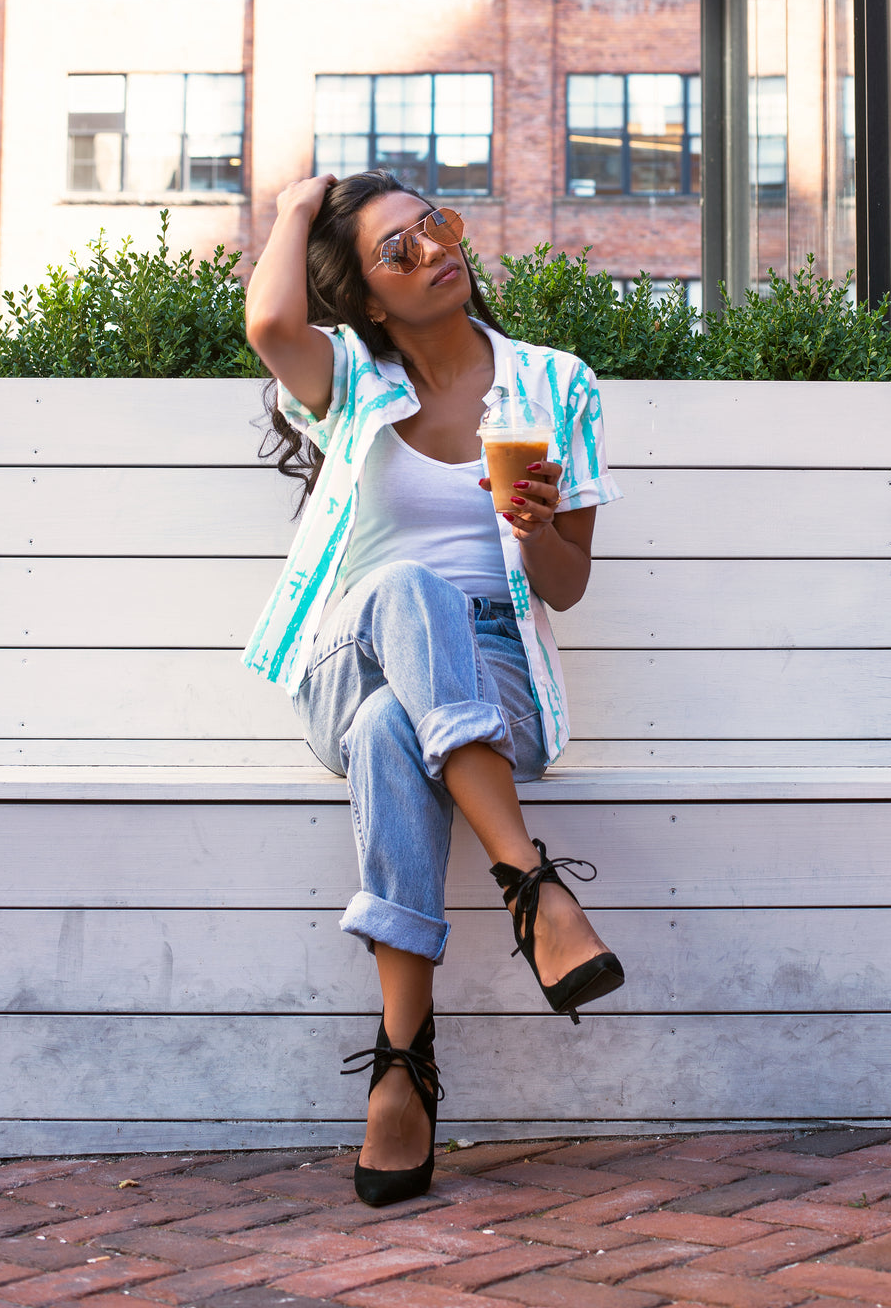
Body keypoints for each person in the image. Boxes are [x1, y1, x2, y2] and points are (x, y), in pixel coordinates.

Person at [243, 169, 624, 1207]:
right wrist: (292, 208)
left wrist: (534, 527)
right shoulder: (352, 379)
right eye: (396, 251)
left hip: (494, 669)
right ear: (366, 299)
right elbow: (271, 318)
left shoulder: (556, 385)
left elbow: (566, 588)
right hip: (349, 651)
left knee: (386, 731)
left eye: (435, 226)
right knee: (403, 599)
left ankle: (400, 1068)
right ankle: (532, 885)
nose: (432, 251)